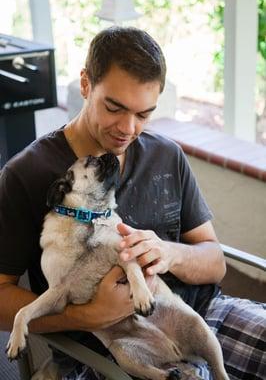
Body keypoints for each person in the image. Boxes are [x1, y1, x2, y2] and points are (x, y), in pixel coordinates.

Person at [0, 26, 265, 380]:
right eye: (114, 107)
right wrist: (85, 316)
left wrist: (171, 253)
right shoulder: (26, 174)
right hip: (107, 349)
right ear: (85, 85)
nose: (128, 128)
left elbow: (214, 262)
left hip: (200, 312)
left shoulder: (166, 155)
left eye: (143, 114)